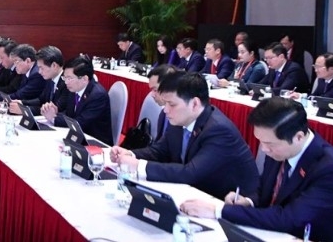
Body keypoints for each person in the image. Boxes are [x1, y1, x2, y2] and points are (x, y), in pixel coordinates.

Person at [181, 97, 333, 241]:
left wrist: (218, 210)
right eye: (260, 141)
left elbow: (289, 219)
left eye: (269, 144)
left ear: (298, 137)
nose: (263, 149)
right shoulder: (279, 149)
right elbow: (265, 190)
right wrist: (249, 201)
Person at [110, 72, 258, 198]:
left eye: (172, 104)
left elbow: (190, 173)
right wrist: (130, 154)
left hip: (225, 204)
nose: (165, 110)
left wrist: (138, 166)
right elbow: (159, 151)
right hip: (192, 194)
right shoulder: (180, 120)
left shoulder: (219, 130)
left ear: (194, 104)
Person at [40, 56, 113, 145]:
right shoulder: (74, 88)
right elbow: (70, 114)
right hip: (77, 137)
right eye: (65, 77)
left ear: (84, 79)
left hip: (95, 142)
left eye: (70, 78)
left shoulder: (97, 95)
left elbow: (80, 123)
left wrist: (54, 118)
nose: (66, 82)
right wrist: (54, 112)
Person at [10, 45, 67, 116]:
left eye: (41, 68)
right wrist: (22, 103)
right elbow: (41, 100)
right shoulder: (50, 79)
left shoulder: (67, 83)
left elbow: (56, 110)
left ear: (54, 65)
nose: (39, 72)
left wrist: (24, 110)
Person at [145, 64, 178, 141]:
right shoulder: (163, 114)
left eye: (155, 90)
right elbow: (159, 147)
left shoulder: (182, 118)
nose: (152, 95)